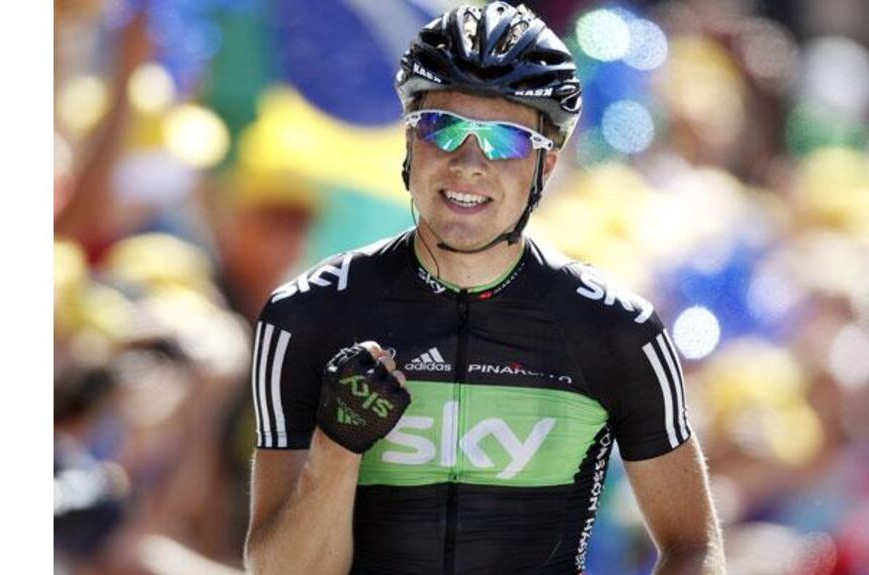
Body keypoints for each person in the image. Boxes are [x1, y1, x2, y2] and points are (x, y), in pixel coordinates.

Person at [243, 3, 726, 574]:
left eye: (505, 141)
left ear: (546, 168)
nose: (468, 163)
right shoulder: (307, 315)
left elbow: (693, 547)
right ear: (407, 143)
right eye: (441, 128)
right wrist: (336, 447)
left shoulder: (619, 332)